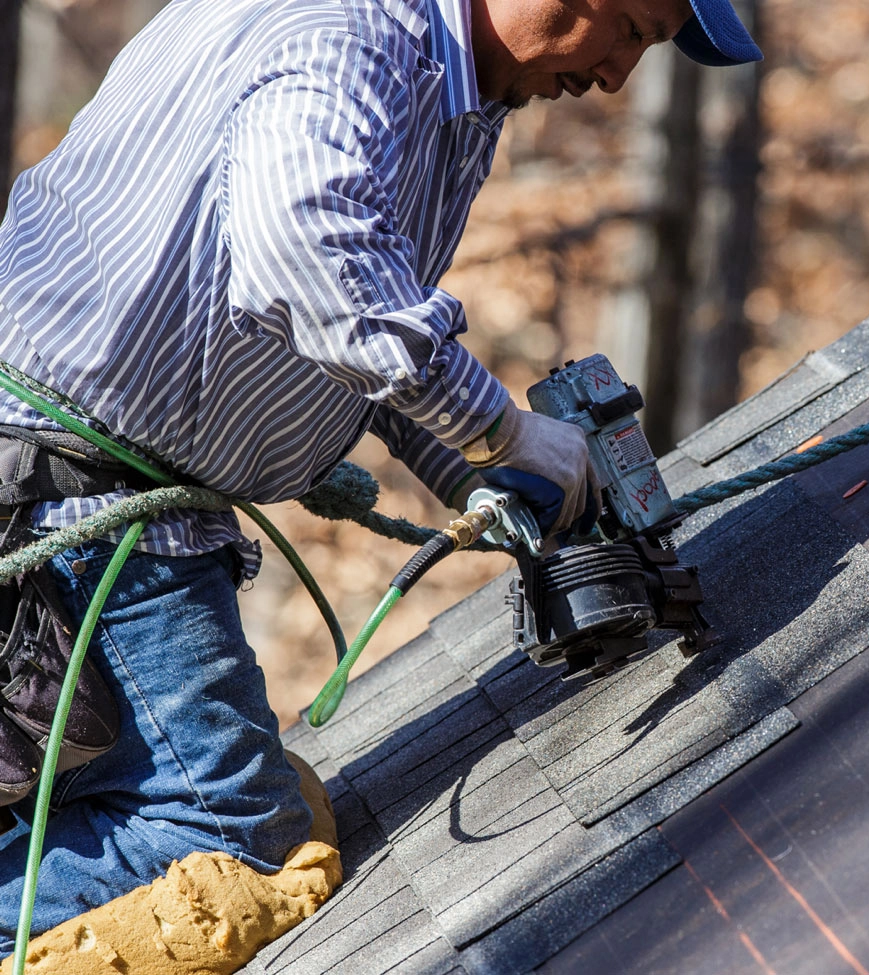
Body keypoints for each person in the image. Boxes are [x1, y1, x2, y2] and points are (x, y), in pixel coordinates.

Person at [0, 0, 760, 949]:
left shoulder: (446, 83)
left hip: (69, 492)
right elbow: (307, 253)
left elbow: (353, 311)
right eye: (633, 29)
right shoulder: (351, 39)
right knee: (241, 840)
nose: (615, 76)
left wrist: (476, 463)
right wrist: (494, 429)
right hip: (76, 506)